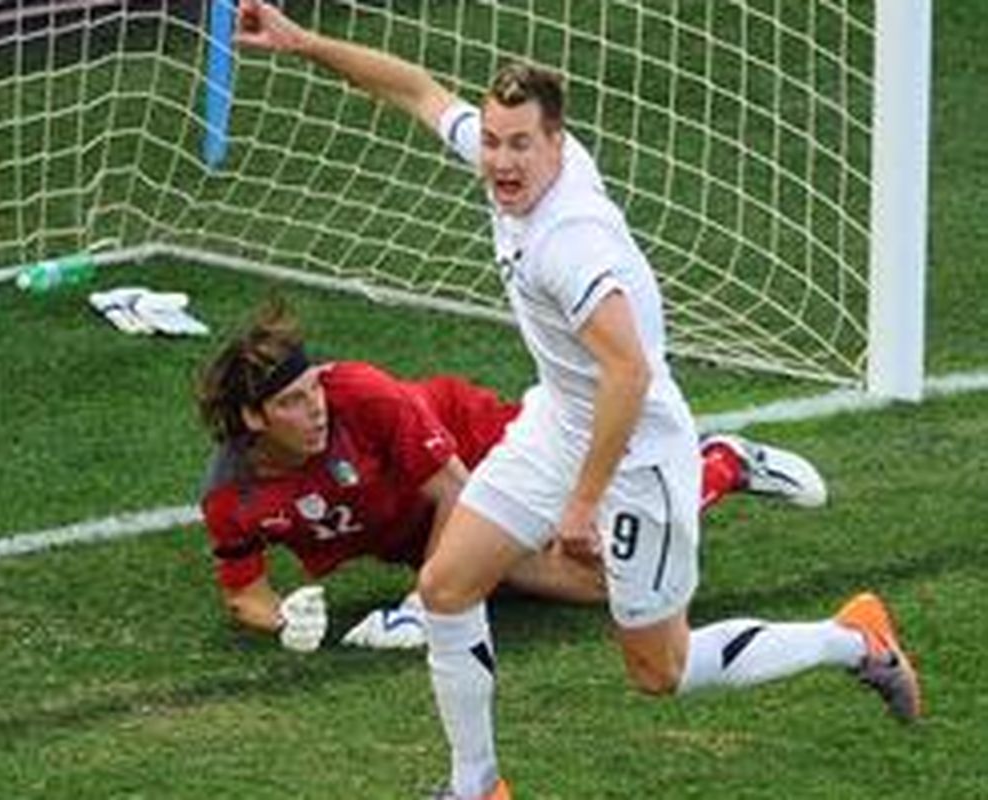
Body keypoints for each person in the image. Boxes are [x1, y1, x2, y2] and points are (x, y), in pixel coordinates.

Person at [233, 3, 922, 800]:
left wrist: (582, 504)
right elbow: (417, 92)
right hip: (561, 418)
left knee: (660, 670)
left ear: (556, 144)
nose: (499, 162)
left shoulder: (572, 243)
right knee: (448, 585)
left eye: (520, 144)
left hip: (635, 448)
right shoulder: (506, 172)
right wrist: (301, 41)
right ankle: (476, 786)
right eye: (491, 142)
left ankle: (852, 639)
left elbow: (628, 373)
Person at [197, 300, 826, 654]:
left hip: (488, 454)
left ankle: (721, 464)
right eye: (294, 404)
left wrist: (422, 607)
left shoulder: (363, 394)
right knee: (603, 586)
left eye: (314, 390)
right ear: (253, 418)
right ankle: (719, 466)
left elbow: (454, 488)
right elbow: (243, 591)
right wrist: (282, 620)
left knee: (622, 569)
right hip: (434, 532)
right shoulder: (232, 494)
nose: (317, 409)